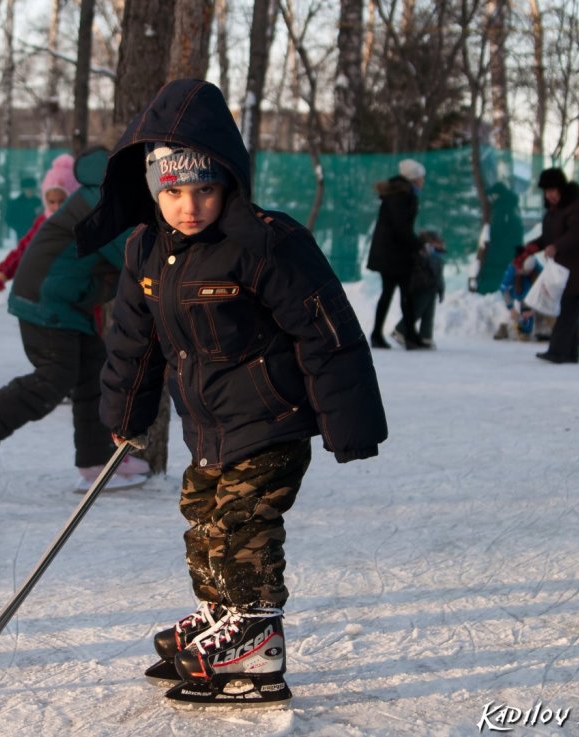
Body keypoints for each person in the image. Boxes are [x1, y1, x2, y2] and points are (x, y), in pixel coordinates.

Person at [74, 79, 388, 708]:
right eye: (173, 191)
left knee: (244, 525)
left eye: (205, 190)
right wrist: (125, 415)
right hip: (208, 429)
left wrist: (347, 422)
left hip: (271, 419)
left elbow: (326, 330)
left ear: (229, 184)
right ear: (153, 189)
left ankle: (256, 642)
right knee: (203, 522)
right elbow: (134, 346)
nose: (189, 206)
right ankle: (223, 618)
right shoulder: (144, 251)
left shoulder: (266, 242)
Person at [0, 146, 150, 488]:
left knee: (93, 374)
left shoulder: (110, 199)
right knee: (55, 376)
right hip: (45, 300)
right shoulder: (100, 202)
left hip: (68, 304)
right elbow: (135, 256)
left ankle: (96, 460)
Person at [525, 167, 579, 364]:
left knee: (567, 310)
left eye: (552, 190)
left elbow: (577, 234)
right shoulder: (553, 211)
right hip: (565, 270)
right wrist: (530, 247)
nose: (549, 195)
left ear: (561, 189)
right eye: (546, 191)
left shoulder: (576, 207)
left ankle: (557, 351)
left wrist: (555, 246)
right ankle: (571, 353)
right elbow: (549, 237)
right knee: (569, 309)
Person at [0, 154, 80, 292]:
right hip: (46, 290)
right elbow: (24, 247)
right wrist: (4, 273)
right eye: (51, 202)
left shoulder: (82, 222)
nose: (56, 207)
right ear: (46, 200)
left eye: (62, 201)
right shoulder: (44, 221)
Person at [366, 158, 429, 350]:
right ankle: (405, 335)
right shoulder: (401, 195)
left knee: (397, 293)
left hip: (392, 252)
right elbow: (401, 227)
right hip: (393, 254)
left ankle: (402, 334)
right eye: (421, 177)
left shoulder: (401, 192)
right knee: (403, 294)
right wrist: (418, 245)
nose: (423, 181)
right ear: (414, 178)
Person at [391, 230, 445, 349]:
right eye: (437, 241)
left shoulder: (436, 256)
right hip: (423, 288)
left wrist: (440, 289)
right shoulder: (426, 254)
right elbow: (431, 275)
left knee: (428, 313)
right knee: (417, 310)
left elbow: (439, 277)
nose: (441, 243)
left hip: (430, 288)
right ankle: (400, 330)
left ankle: (426, 337)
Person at [474, 182, 524, 294]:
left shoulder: (501, 208)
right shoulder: (512, 206)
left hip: (502, 251)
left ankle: (489, 291)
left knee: (495, 275)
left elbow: (496, 229)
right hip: (512, 250)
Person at [492, 246, 542, 341]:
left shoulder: (536, 265)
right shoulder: (512, 269)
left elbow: (545, 282)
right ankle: (504, 327)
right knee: (511, 312)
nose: (528, 272)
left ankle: (529, 330)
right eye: (526, 271)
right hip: (516, 293)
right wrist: (511, 308)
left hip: (530, 294)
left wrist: (534, 309)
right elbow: (504, 289)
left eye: (530, 271)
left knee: (528, 315)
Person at [4, 176, 42, 240]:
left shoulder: (39, 202)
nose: (31, 191)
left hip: (38, 236)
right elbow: (9, 219)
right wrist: (21, 229)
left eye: (33, 188)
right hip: (22, 236)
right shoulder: (15, 203)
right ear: (23, 189)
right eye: (28, 189)